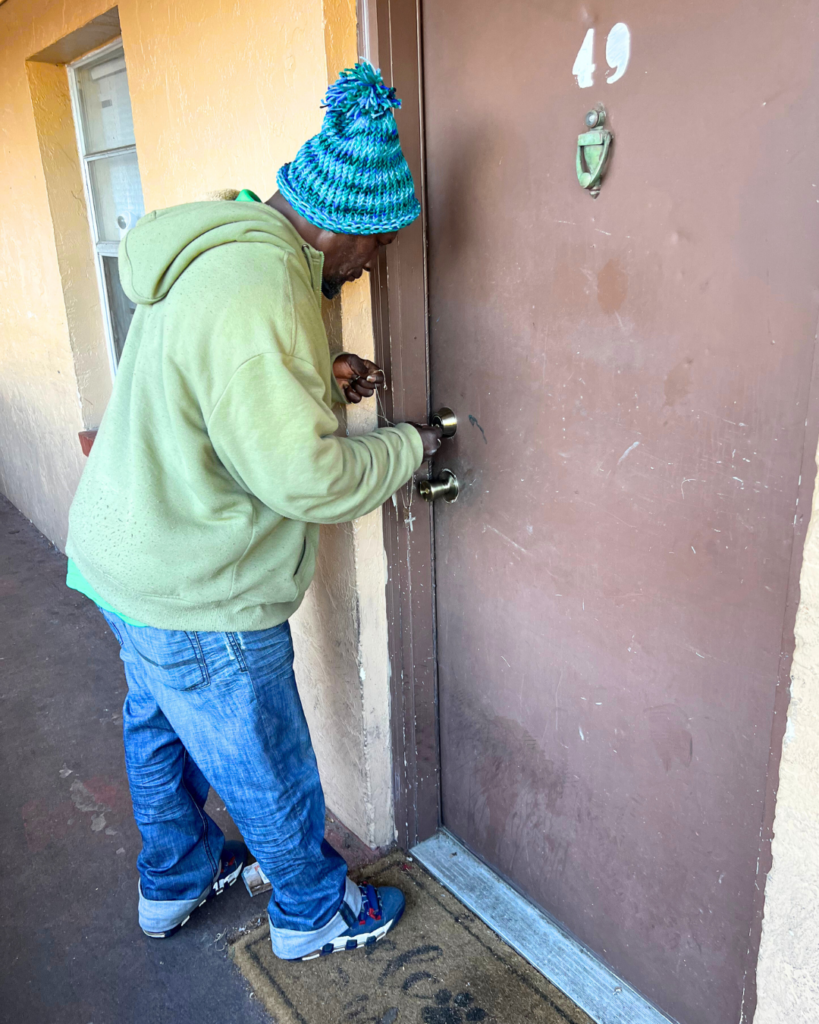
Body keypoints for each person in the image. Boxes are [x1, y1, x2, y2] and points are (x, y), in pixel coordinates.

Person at [65, 62, 443, 961]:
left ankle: (175, 876)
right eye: (375, 248)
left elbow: (222, 382)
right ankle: (312, 912)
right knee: (260, 751)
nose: (369, 266)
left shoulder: (223, 243)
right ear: (340, 228)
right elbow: (306, 482)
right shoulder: (265, 288)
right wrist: (411, 446)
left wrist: (318, 374)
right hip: (196, 579)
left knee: (160, 720)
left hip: (122, 553)